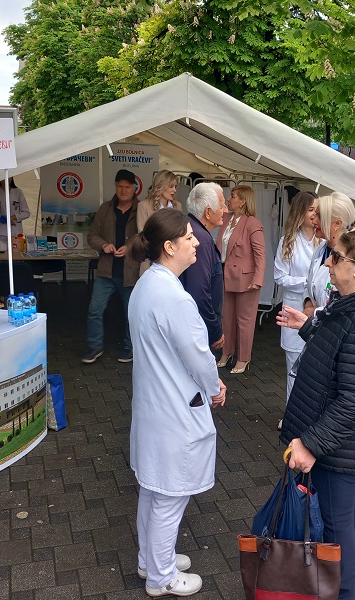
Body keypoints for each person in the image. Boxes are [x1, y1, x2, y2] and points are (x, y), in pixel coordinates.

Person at [276, 229, 355, 600]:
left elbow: (353, 399)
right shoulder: (353, 306)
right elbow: (340, 349)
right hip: (338, 444)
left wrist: (311, 444)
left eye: (337, 257)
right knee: (335, 525)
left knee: (337, 529)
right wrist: (309, 325)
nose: (328, 262)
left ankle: (341, 591)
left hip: (339, 449)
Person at [127, 208, 226, 598]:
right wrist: (215, 384)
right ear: (169, 247)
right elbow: (199, 357)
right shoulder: (174, 298)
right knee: (169, 497)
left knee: (153, 490)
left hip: (154, 406)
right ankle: (161, 576)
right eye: (188, 237)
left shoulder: (146, 285)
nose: (196, 242)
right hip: (173, 409)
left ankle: (150, 559)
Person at [83, 169, 140, 364]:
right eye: (120, 186)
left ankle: (129, 347)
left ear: (134, 188)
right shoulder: (105, 208)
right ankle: (94, 347)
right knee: (94, 310)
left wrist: (130, 247)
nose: (123, 190)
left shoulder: (141, 209)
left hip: (130, 271)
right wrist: (103, 245)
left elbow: (146, 237)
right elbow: (92, 235)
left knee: (131, 314)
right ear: (115, 187)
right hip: (106, 270)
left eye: (127, 187)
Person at [273, 191, 319, 428]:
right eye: (310, 210)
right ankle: (292, 416)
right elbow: (279, 276)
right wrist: (308, 283)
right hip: (293, 311)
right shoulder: (288, 241)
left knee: (317, 366)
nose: (315, 215)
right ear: (300, 213)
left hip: (318, 314)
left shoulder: (324, 243)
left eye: (317, 210)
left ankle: (312, 415)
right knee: (294, 367)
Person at [215, 185, 266, 374]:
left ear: (243, 201)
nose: (229, 199)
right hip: (226, 276)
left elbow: (260, 254)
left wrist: (258, 279)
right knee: (226, 319)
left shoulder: (252, 223)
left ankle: (244, 358)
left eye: (233, 196)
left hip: (247, 280)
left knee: (244, 321)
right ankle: (226, 353)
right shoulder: (226, 218)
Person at [180, 182, 227, 350]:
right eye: (222, 205)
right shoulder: (201, 240)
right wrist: (214, 330)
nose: (226, 210)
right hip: (197, 329)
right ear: (208, 212)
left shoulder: (188, 229)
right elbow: (199, 291)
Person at [303, 192, 355, 317]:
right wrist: (308, 304)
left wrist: (315, 312)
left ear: (337, 224)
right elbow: (309, 283)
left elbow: (349, 302)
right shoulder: (321, 248)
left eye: (319, 216)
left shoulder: (352, 256)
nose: (313, 219)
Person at [0, 177, 30, 250]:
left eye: (9, 176)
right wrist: (1, 218)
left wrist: (13, 217)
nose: (7, 178)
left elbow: (26, 213)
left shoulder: (18, 192)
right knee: (0, 256)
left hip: (15, 233)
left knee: (16, 256)